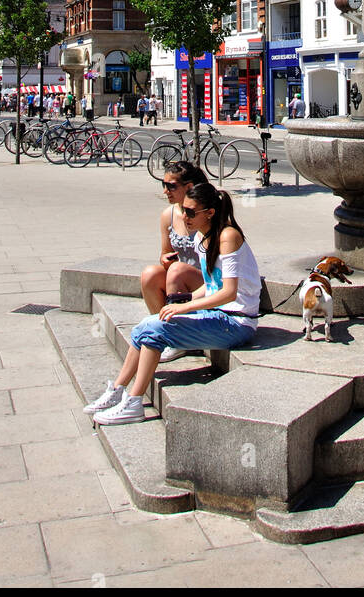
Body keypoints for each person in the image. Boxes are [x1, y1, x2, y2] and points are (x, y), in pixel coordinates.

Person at [86, 180, 261, 425]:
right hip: (219, 316)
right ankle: (117, 390)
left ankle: (134, 402)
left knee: (155, 330)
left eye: (191, 212)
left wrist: (184, 307)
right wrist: (187, 299)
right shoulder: (203, 235)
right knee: (145, 326)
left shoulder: (227, 236)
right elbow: (212, 286)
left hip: (236, 323)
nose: (184, 216)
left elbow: (229, 293)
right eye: (183, 210)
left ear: (209, 213)